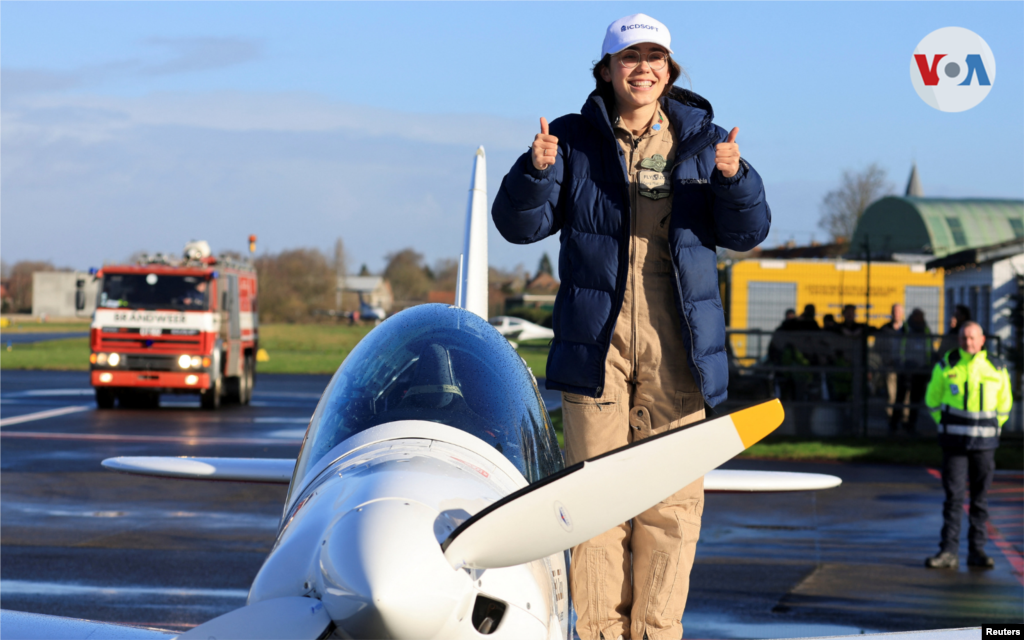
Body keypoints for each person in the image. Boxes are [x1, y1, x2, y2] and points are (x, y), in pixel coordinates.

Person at [491, 13, 771, 640]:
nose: (642, 68)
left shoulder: (704, 142)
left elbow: (748, 233)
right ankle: (598, 634)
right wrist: (534, 173)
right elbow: (518, 225)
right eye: (629, 57)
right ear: (607, 69)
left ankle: (657, 632)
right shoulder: (570, 140)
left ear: (668, 70)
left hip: (681, 350)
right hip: (598, 348)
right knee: (593, 505)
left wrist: (735, 180)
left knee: (670, 508)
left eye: (654, 57)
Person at [924, 321, 1011, 570]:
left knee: (980, 500)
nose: (968, 342)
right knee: (953, 498)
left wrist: (996, 426)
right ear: (959, 340)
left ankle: (977, 551)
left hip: (985, 444)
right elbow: (932, 399)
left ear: (982, 340)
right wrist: (946, 423)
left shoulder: (997, 367)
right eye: (964, 338)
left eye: (972, 338)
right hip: (954, 444)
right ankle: (948, 551)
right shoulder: (947, 365)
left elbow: (1005, 403)